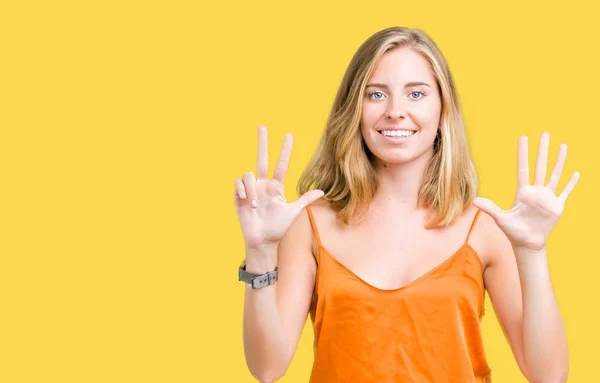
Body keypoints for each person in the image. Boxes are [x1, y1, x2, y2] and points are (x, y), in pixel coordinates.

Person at [233, 27, 579, 383]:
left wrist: (533, 251)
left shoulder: (486, 228)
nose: (395, 111)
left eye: (416, 93)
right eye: (376, 94)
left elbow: (549, 376)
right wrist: (259, 251)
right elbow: (267, 368)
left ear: (443, 107)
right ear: (354, 108)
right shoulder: (311, 224)